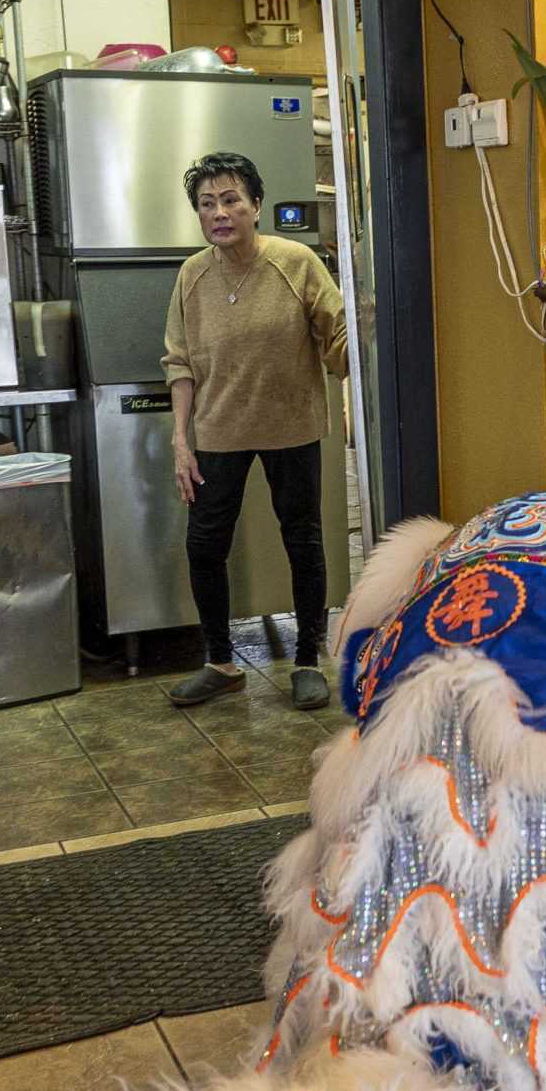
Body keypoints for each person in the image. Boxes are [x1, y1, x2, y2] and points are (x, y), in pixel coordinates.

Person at [162, 150, 347, 711]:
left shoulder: (296, 262)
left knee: (303, 540)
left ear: (256, 205)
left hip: (291, 425)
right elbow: (180, 362)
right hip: (218, 431)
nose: (219, 213)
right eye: (207, 204)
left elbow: (337, 338)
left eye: (231, 200)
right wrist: (180, 440)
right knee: (204, 545)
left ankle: (309, 659)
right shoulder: (192, 273)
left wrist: (360, 336)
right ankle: (220, 661)